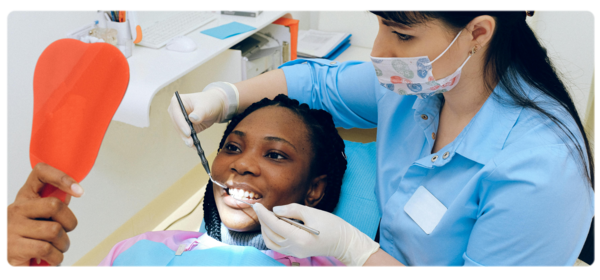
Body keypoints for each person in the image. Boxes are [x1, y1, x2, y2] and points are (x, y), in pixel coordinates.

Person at [167, 8, 596, 268]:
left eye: (403, 35)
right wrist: (223, 98)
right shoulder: (411, 87)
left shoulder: (542, 171)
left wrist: (354, 251)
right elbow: (318, 84)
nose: (380, 51)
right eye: (381, 26)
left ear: (478, 33)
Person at [96, 94, 349, 268]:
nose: (241, 164)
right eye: (233, 147)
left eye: (274, 155)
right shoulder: (137, 251)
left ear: (314, 189)